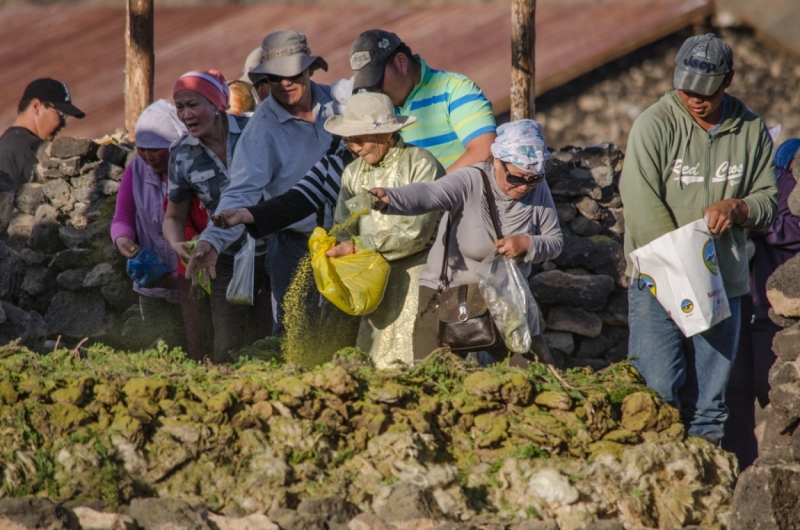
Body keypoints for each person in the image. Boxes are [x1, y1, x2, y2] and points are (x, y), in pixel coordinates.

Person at [620, 34, 778, 445]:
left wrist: (737, 208)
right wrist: (681, 268)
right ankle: (659, 485)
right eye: (686, 88)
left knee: (711, 404)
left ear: (728, 80)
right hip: (657, 281)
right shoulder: (654, 125)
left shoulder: (751, 130)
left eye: (705, 91)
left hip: (721, 285)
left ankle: (705, 492)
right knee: (656, 392)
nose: (694, 99)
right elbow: (639, 201)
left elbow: (767, 202)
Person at [370, 119, 562, 366]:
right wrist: (392, 198)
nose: (524, 187)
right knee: (431, 376)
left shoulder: (538, 189)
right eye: (516, 178)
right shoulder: (470, 181)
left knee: (540, 371)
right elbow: (430, 193)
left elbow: (555, 240)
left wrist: (527, 244)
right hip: (448, 295)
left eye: (532, 179)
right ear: (496, 161)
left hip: (505, 297)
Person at [188, 30, 337, 335]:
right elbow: (240, 191)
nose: (284, 83)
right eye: (274, 76)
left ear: (309, 69)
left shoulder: (340, 104)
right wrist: (212, 239)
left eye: (292, 74)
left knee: (350, 328)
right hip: (295, 245)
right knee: (295, 334)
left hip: (349, 241)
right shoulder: (260, 131)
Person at [313, 92, 442, 366]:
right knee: (372, 358)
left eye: (360, 139)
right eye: (348, 140)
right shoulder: (352, 174)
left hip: (419, 275)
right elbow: (342, 224)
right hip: (372, 281)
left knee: (416, 357)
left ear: (388, 133)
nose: (354, 147)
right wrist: (338, 249)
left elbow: (416, 233)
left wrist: (359, 247)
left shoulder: (420, 164)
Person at [163, 70, 269, 363]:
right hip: (223, 257)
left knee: (274, 337)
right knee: (228, 348)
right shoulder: (182, 155)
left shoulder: (256, 129)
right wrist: (176, 244)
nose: (186, 115)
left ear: (217, 103)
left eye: (193, 104)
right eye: (180, 107)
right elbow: (173, 216)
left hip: (275, 250)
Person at [724, 138, 800, 469]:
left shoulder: (785, 182)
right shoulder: (735, 183)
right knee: (733, 397)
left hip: (772, 312)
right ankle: (740, 475)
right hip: (738, 307)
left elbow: (794, 228)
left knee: (773, 393)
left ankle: (776, 471)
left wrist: (751, 219)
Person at [111, 100, 204, 354]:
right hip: (153, 290)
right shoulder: (137, 171)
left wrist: (178, 280)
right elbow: (123, 219)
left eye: (155, 149)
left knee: (199, 353)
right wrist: (124, 241)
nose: (148, 156)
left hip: (195, 288)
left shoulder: (198, 173)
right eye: (142, 149)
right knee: (163, 354)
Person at [349, 29, 496, 172]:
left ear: (401, 62)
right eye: (368, 85)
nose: (375, 90)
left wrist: (427, 192)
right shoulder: (375, 107)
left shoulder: (455, 89)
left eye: (377, 80)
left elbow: (485, 150)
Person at [0, 78, 85, 191]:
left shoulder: (7, 142)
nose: (63, 124)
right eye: (61, 114)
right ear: (37, 107)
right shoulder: (30, 149)